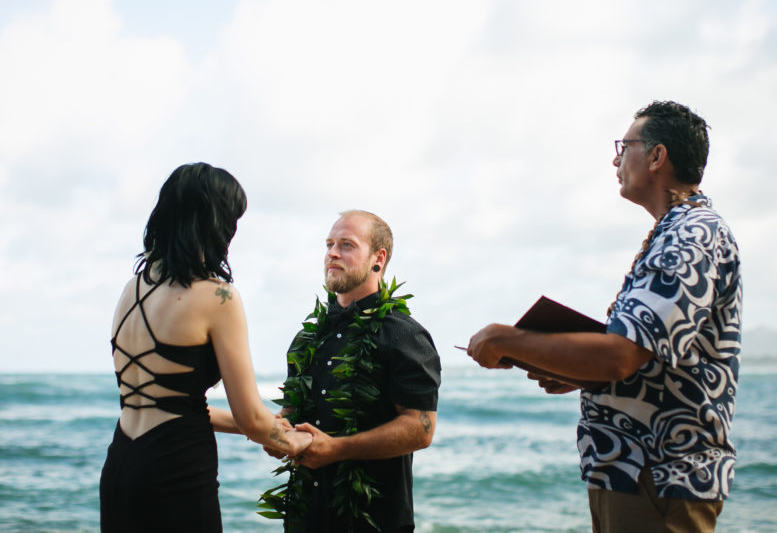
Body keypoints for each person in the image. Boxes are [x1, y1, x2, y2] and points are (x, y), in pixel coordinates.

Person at [467, 101, 742, 533]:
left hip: (658, 474)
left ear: (657, 157)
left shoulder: (693, 235)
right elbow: (655, 357)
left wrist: (507, 339)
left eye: (625, 146)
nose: (616, 159)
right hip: (640, 475)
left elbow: (621, 355)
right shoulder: (674, 231)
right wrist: (580, 374)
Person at [99, 163, 312, 532]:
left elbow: (171, 404)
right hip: (175, 472)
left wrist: (267, 426)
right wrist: (298, 442)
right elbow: (249, 416)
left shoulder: (131, 290)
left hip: (121, 465)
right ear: (214, 223)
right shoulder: (217, 297)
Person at [264, 210, 441, 533]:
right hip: (305, 516)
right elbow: (290, 413)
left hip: (374, 521)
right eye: (329, 244)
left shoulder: (403, 335)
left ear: (378, 258)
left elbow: (421, 428)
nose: (332, 252)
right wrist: (278, 434)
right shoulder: (307, 339)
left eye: (346, 245)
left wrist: (337, 449)